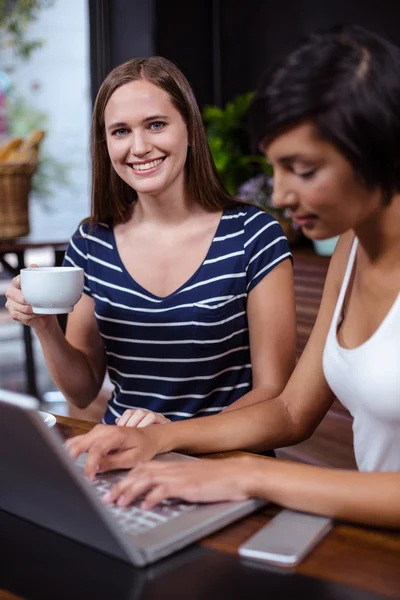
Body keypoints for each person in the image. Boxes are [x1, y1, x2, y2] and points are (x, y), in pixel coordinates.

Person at [65, 25, 400, 529]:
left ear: (375, 150)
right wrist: (160, 439)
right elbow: (290, 412)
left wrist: (248, 476)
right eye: (275, 168)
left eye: (303, 170)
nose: (282, 196)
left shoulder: (254, 233)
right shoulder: (351, 251)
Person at [5, 57, 295, 430]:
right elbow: (81, 391)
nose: (139, 147)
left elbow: (274, 391)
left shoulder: (254, 236)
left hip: (227, 465)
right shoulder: (93, 243)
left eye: (155, 125)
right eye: (120, 131)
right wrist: (45, 325)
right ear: (105, 143)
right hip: (125, 460)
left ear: (189, 128)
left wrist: (171, 437)